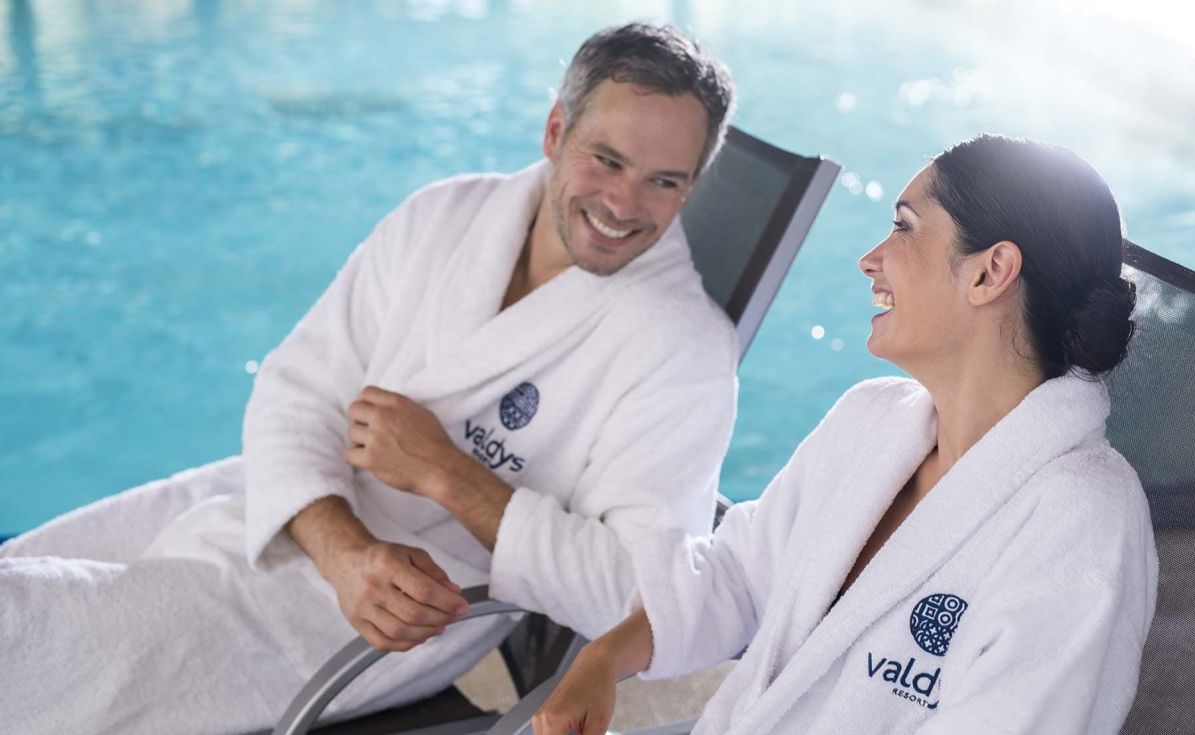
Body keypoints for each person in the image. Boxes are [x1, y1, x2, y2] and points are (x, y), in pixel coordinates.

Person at [0, 23, 739, 734]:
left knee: (26, 633)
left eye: (663, 181)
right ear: (555, 131)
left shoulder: (682, 348)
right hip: (292, 499)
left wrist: (446, 473)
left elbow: (641, 598)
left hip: (387, 611)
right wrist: (343, 549)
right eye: (606, 160)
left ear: (694, 185)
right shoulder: (445, 216)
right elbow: (296, 388)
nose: (623, 205)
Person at [533, 135, 1159, 735]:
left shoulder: (1081, 520)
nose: (870, 259)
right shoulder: (871, 421)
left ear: (989, 273)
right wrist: (603, 660)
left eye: (904, 227)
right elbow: (739, 578)